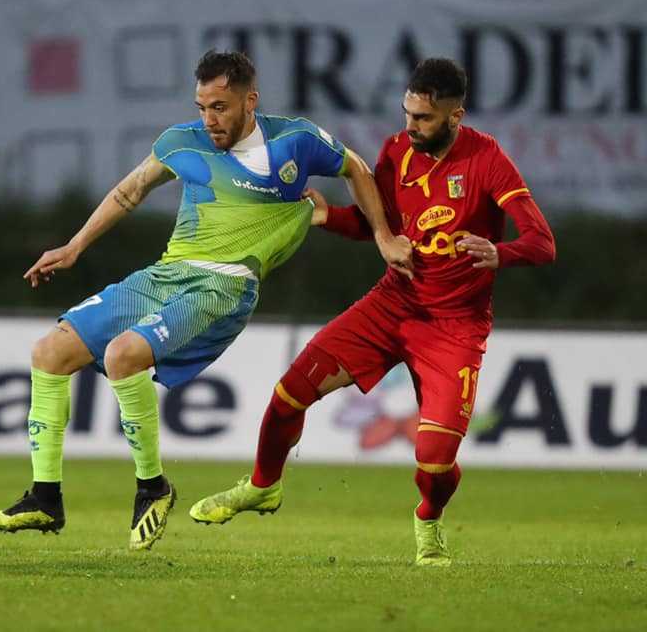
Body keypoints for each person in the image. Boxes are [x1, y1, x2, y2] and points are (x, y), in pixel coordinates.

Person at [0, 50, 413, 550]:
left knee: (124, 355)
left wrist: (383, 236)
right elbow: (130, 191)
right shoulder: (180, 142)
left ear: (250, 101)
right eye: (202, 106)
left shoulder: (296, 140)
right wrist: (75, 246)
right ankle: (44, 498)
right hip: (167, 274)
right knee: (48, 353)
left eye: (221, 107)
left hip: (224, 285)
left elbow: (356, 169)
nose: (209, 119)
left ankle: (152, 487)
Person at [189, 58, 556, 566]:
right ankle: (262, 485)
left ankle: (428, 520)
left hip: (455, 328)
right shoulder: (397, 152)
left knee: (434, 461)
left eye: (423, 119)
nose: (410, 127)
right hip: (392, 304)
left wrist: (502, 252)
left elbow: (542, 242)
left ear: (455, 116)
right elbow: (374, 224)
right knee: (289, 393)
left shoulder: (487, 160)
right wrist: (326, 217)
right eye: (407, 114)